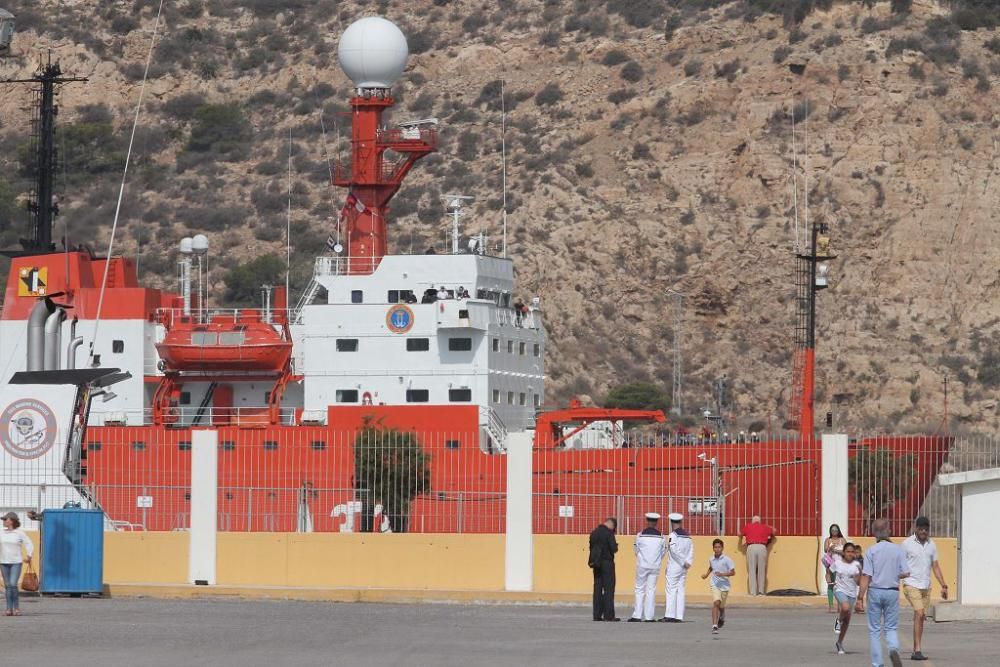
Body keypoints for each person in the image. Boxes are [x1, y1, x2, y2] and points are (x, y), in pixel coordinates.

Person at [856, 518, 909, 667]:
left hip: (875, 591)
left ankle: (878, 663)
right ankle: (893, 648)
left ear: (874, 533)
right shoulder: (898, 550)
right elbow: (906, 572)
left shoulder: (871, 551)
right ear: (889, 531)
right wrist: (893, 574)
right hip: (892, 591)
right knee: (891, 627)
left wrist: (860, 597)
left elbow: (866, 576)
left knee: (874, 630)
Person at [901, 517, 948, 661]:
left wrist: (944, 585)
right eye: (921, 528)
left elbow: (935, 566)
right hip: (911, 583)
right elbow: (898, 563)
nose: (923, 531)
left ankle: (917, 650)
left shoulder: (932, 544)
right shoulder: (906, 544)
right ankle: (917, 649)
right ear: (916, 528)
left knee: (920, 618)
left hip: (925, 586)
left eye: (926, 529)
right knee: (920, 613)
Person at [630, 512, 666, 622]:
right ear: (656, 522)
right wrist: (657, 560)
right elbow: (663, 551)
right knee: (651, 590)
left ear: (647, 521)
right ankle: (649, 617)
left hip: (642, 565)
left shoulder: (640, 535)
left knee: (639, 589)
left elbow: (636, 550)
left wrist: (641, 558)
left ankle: (637, 615)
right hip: (655, 566)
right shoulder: (661, 536)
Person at [830, 542, 862, 655]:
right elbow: (829, 571)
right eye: (848, 551)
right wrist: (829, 581)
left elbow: (859, 583)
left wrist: (857, 577)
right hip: (839, 590)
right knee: (845, 607)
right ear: (844, 552)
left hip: (852, 594)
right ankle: (838, 621)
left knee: (847, 620)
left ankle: (839, 643)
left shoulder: (857, 565)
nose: (850, 554)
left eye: (852, 552)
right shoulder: (837, 563)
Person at [661, 513, 693, 622]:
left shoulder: (673, 535)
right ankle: (679, 616)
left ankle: (669, 615)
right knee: (681, 590)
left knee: (671, 589)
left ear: (671, 522)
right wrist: (688, 562)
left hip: (675, 566)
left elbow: (674, 551)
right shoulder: (688, 536)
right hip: (684, 567)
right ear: (681, 522)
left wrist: (682, 562)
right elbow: (691, 551)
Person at [1, 512, 34, 617]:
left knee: (13, 584)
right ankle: (9, 609)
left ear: (12, 521)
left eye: (6, 519)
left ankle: (16, 607)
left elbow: (29, 543)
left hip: (16, 562)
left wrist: (29, 555)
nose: (4, 521)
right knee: (7, 586)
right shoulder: (1, 532)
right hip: (3, 562)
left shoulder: (20, 533)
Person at [700, 538, 735, 634]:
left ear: (722, 548)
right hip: (714, 583)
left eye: (719, 547)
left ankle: (722, 615)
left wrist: (723, 574)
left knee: (721, 606)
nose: (717, 549)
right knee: (716, 603)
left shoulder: (727, 560)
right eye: (715, 547)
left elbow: (733, 573)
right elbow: (711, 567)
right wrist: (706, 575)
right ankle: (714, 625)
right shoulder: (711, 558)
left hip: (725, 585)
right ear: (713, 548)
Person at [588, 517, 619, 621]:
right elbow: (613, 548)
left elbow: (591, 547)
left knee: (597, 588)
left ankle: (596, 615)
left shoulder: (594, 532)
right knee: (608, 589)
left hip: (596, 563)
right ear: (612, 525)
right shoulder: (609, 534)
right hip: (607, 563)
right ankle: (608, 615)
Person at [739, 515, 774, 595]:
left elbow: (739, 534)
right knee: (762, 570)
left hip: (751, 547)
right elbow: (774, 531)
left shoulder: (748, 526)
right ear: (759, 521)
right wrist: (769, 539)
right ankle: (761, 591)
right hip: (762, 547)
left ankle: (753, 592)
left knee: (752, 570)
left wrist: (741, 541)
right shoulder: (765, 527)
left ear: (752, 521)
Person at [824, 523, 848, 615]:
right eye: (833, 530)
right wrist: (831, 548)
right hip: (831, 564)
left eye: (836, 530)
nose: (834, 531)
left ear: (839, 531)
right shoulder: (828, 540)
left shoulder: (842, 540)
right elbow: (826, 550)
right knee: (831, 584)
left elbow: (846, 551)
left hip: (841, 566)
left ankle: (839, 606)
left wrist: (836, 550)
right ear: (830, 531)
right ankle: (830, 606)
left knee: (840, 586)